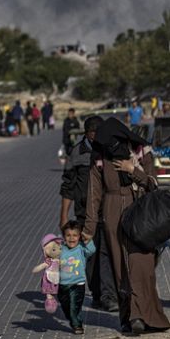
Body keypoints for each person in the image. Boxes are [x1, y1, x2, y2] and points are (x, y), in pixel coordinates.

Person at [83, 119, 170, 335]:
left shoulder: (141, 151)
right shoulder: (99, 158)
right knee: (120, 267)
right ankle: (132, 317)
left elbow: (153, 185)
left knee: (142, 266)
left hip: (140, 213)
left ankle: (150, 317)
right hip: (112, 212)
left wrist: (133, 169)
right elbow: (93, 197)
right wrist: (89, 229)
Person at [59, 115, 117, 311]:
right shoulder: (78, 152)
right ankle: (98, 294)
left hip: (108, 210)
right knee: (91, 257)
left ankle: (109, 295)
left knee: (107, 253)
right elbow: (68, 185)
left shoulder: (110, 149)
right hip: (85, 213)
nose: (96, 137)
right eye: (93, 133)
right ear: (87, 133)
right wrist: (64, 216)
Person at [58, 220, 96, 334]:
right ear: (64, 236)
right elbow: (51, 255)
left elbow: (92, 250)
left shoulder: (81, 248)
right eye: (68, 235)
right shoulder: (61, 249)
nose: (71, 238)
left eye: (75, 235)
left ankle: (77, 325)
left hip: (78, 284)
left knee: (75, 306)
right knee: (65, 307)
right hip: (63, 285)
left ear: (79, 236)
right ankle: (72, 320)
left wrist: (86, 239)